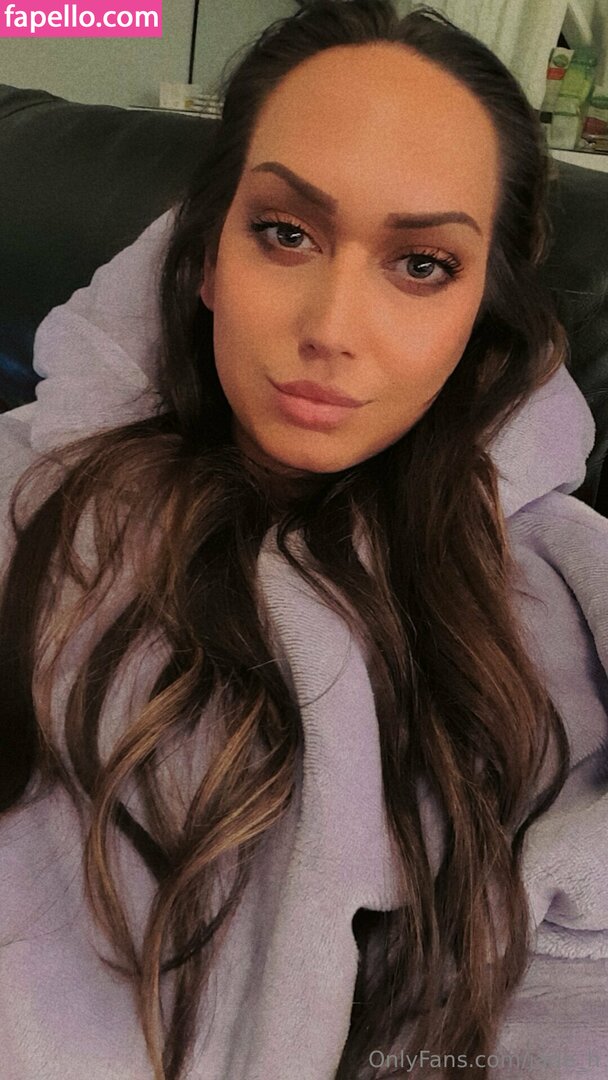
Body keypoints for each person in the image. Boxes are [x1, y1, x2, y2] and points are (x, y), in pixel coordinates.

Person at [1, 2, 608, 1078]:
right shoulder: (30, 492)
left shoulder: (549, 600)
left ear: (482, 310)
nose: (330, 328)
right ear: (204, 258)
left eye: (421, 265)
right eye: (286, 233)